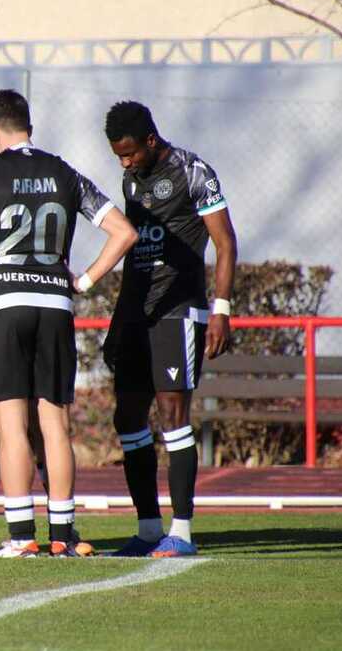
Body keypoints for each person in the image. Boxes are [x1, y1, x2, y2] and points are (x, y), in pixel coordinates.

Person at [0, 90, 137, 558]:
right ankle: (64, 534)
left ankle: (19, 536)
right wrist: (85, 280)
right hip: (53, 304)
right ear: (28, 123)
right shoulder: (64, 172)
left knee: (12, 427)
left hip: (4, 305)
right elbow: (124, 232)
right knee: (54, 423)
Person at [102, 101, 237, 558]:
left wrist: (221, 309)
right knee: (128, 417)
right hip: (138, 311)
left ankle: (182, 531)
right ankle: (146, 529)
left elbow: (224, 241)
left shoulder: (194, 172)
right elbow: (132, 255)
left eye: (130, 153)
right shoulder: (130, 181)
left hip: (179, 309)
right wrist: (118, 323)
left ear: (150, 141)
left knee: (172, 412)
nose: (125, 162)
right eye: (118, 156)